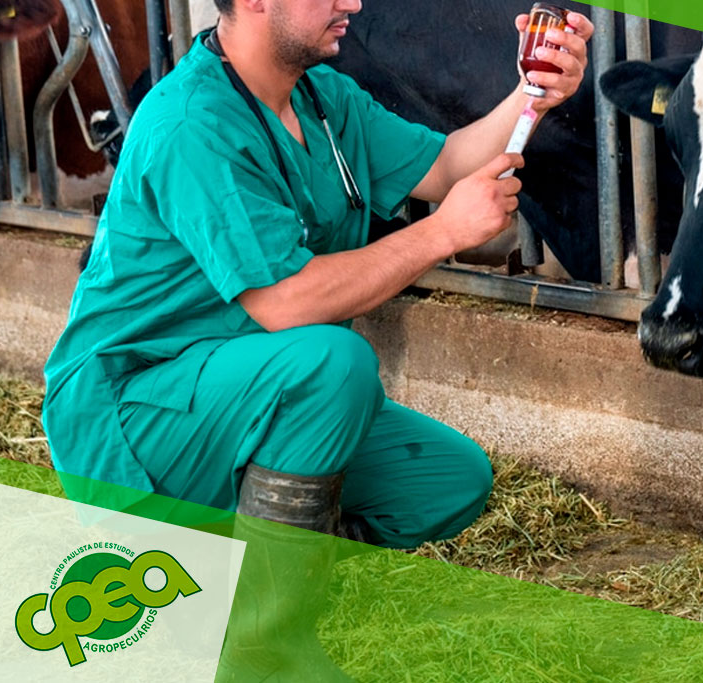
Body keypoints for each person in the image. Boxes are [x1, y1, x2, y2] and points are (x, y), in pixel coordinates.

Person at [41, 0, 594, 547]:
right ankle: (263, 624)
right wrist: (442, 232)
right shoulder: (193, 121)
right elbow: (282, 302)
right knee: (334, 362)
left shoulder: (321, 99)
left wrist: (533, 95)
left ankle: (263, 549)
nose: (351, 2)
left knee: (448, 479)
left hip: (258, 391)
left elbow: (445, 165)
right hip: (137, 413)